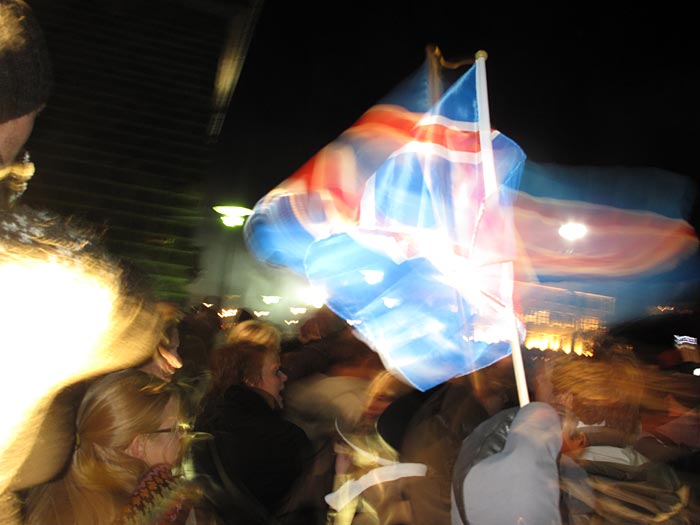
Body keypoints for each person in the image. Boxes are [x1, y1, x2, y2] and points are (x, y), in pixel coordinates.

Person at [23, 369, 218, 525]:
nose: (183, 436)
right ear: (138, 444)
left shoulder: (47, 498)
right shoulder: (167, 506)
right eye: (176, 429)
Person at [193, 339, 316, 524]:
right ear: (250, 380)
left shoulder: (207, 419)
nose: (284, 378)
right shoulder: (283, 439)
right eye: (276, 372)